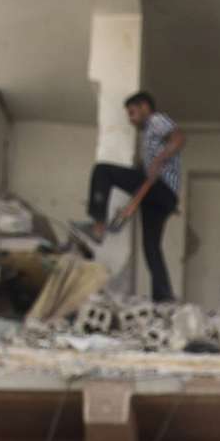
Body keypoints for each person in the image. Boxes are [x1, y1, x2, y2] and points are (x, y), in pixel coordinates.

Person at [83, 91, 184, 302]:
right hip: (160, 194)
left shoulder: (156, 120)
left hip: (161, 188)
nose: (130, 119)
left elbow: (179, 138)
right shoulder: (148, 136)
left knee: (103, 170)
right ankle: (163, 297)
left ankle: (98, 226)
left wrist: (160, 159)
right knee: (151, 246)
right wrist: (132, 203)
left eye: (132, 113)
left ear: (145, 106)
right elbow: (146, 176)